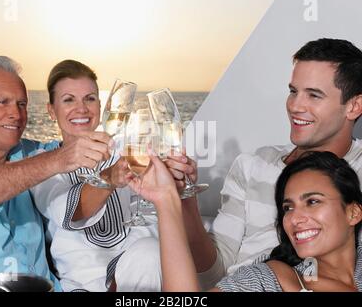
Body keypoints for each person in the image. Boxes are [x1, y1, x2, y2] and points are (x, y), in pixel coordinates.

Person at [115, 38, 362, 291]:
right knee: (143, 255)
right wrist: (182, 199)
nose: (295, 106)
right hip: (242, 284)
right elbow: (214, 271)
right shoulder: (253, 164)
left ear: (354, 106)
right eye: (293, 91)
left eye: (314, 95)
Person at [0, 56, 111, 290]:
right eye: (3, 102)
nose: (16, 114)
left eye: (22, 104)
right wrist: (60, 159)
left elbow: (73, 141)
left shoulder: (32, 153)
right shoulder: (41, 160)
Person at [133, 150, 362, 291]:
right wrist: (167, 201)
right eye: (287, 207)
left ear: (354, 213)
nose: (294, 218)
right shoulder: (269, 280)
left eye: (312, 201)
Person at [30, 59, 160, 291]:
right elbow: (72, 212)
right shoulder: (43, 164)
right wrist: (110, 179)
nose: (82, 108)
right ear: (51, 110)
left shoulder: (126, 154)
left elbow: (149, 215)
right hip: (83, 284)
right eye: (68, 100)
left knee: (149, 251)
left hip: (138, 270)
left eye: (90, 98)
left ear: (101, 106)